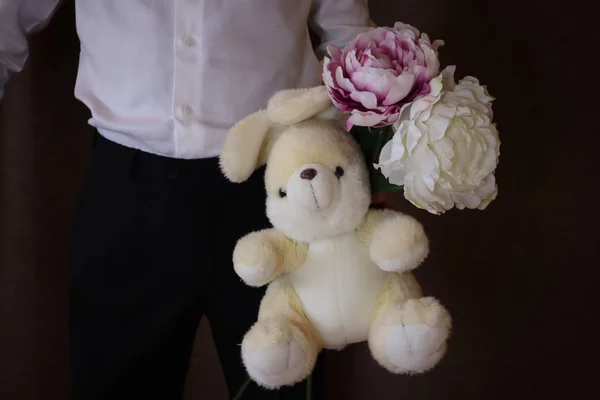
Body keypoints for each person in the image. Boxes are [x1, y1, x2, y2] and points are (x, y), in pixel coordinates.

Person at [0, 1, 373, 399]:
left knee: (285, 384)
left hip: (282, 191)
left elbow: (351, 37)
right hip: (129, 197)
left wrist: (373, 159)